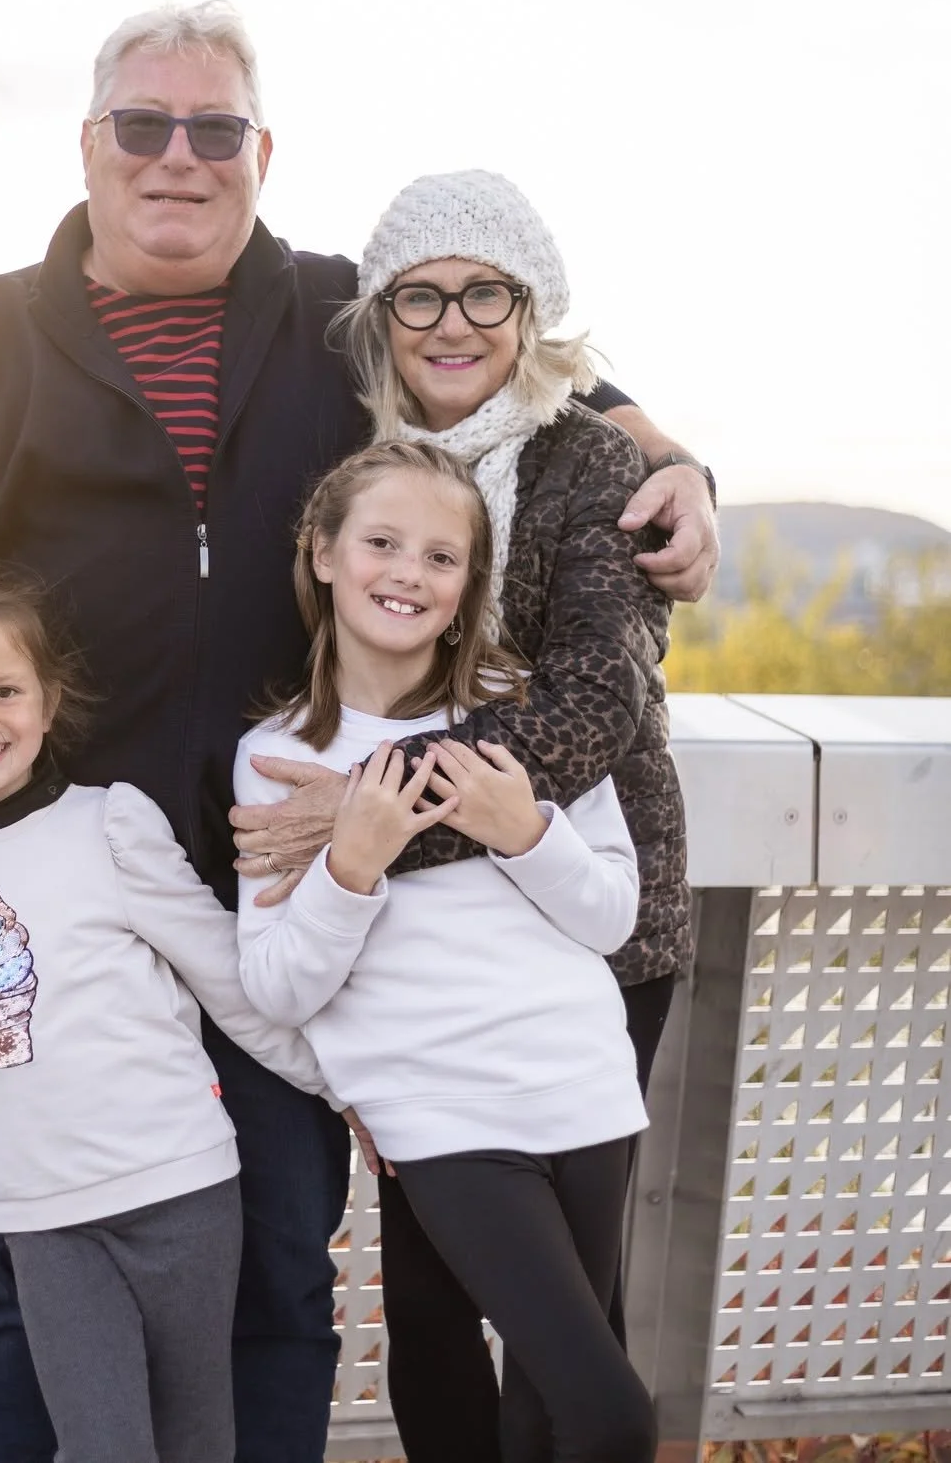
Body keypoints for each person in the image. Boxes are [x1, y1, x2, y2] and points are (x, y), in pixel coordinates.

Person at [0, 1, 716, 1463]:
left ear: (260, 151)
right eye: (143, 125)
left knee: (282, 1269)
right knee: (41, 1280)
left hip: (287, 877)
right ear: (89, 145)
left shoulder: (336, 310)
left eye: (214, 128)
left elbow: (514, 348)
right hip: (52, 894)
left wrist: (680, 464)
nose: (180, 156)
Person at [231, 169, 693, 1459]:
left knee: (570, 1353)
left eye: (486, 291)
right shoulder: (357, 456)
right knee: (434, 1313)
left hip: (593, 939)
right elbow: (291, 949)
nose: (454, 320)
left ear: (530, 309)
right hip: (421, 1008)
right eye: (421, 294)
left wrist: (369, 815)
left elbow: (595, 701)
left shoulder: (590, 459)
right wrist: (358, 833)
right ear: (381, 314)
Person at [0, 563, 331, 1463]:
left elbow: (229, 980)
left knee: (197, 1440)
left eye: (4, 691)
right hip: (40, 1215)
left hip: (181, 1186)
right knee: (100, 1447)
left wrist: (340, 1088)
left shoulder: (111, 824)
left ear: (48, 700)